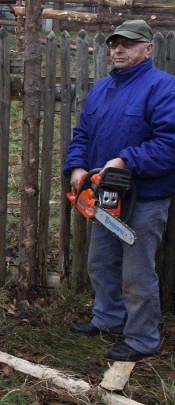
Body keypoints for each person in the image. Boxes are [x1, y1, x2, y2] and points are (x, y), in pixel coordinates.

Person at [63, 20, 175, 361]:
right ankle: (108, 318)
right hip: (104, 196)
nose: (118, 50)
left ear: (148, 49)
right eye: (114, 44)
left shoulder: (163, 88)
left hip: (144, 198)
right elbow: (82, 132)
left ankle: (143, 339)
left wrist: (126, 160)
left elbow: (170, 144)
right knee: (101, 261)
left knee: (137, 271)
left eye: (127, 44)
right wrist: (78, 166)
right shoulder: (102, 89)